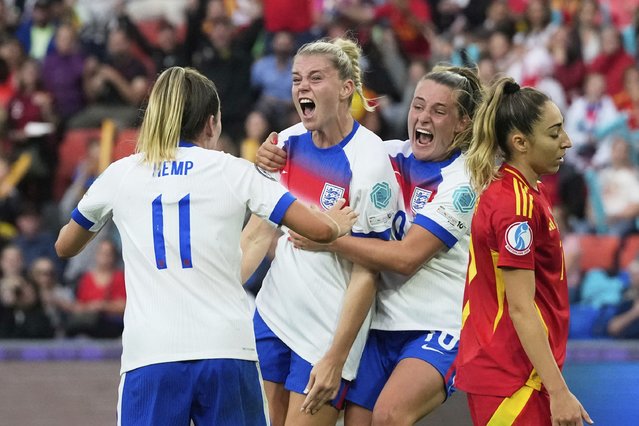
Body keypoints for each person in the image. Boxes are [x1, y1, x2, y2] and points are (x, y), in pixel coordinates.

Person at [54, 66, 357, 426]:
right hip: (227, 351)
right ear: (212, 122)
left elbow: (64, 246)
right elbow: (318, 230)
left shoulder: (121, 174)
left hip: (150, 356)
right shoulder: (233, 170)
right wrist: (334, 225)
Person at [256, 65, 484, 425]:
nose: (423, 117)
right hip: (378, 325)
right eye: (418, 106)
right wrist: (270, 157)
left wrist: (329, 240)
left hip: (435, 325)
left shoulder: (463, 182)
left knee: (390, 416)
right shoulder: (386, 155)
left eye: (438, 112)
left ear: (463, 123)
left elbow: (407, 258)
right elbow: (326, 148)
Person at [241, 37, 400, 426]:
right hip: (273, 316)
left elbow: (369, 270)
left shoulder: (369, 159)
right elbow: (258, 235)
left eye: (315, 78)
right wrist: (219, 299)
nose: (302, 88)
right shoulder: (286, 144)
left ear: (347, 88)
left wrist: (336, 357)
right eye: (297, 80)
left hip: (326, 334)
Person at [453, 77, 593, 425]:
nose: (567, 142)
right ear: (520, 142)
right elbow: (519, 307)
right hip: (510, 378)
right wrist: (559, 392)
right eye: (554, 133)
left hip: (525, 373)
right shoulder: (513, 205)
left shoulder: (528, 192)